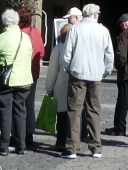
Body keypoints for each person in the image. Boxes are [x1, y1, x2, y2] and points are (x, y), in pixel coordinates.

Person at [62, 2, 114, 159]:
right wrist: (105, 71)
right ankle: (96, 146)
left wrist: (68, 68)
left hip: (77, 74)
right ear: (96, 15)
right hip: (96, 75)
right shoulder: (103, 30)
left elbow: (67, 53)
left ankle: (72, 148)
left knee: (74, 111)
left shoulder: (75, 29)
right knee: (94, 111)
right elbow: (109, 54)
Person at [0, 9, 34, 155]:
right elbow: (29, 55)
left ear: (4, 22)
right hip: (24, 79)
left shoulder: (1, 38)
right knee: (20, 111)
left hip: (6, 80)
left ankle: (4, 145)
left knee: (5, 111)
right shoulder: (26, 37)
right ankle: (21, 145)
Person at [14, 7, 45, 153]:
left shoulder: (16, 34)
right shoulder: (36, 33)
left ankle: (16, 134)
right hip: (32, 73)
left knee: (17, 104)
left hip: (18, 73)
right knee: (29, 104)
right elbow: (41, 53)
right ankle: (29, 134)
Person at [43, 23, 73, 155]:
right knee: (73, 113)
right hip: (74, 82)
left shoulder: (58, 48)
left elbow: (52, 71)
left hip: (61, 83)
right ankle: (73, 141)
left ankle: (61, 142)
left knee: (61, 115)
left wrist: (49, 88)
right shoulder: (77, 47)